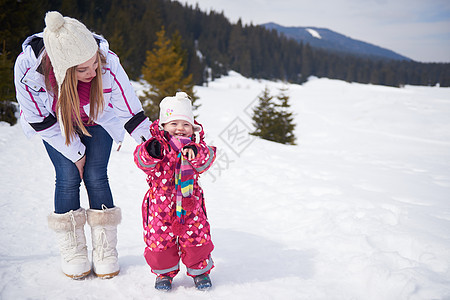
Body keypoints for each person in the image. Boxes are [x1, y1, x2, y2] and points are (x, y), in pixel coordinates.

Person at [14, 11, 152, 279]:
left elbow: (129, 107)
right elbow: (36, 117)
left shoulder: (106, 60)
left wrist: (152, 144)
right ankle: (74, 250)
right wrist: (75, 153)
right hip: (56, 124)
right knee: (67, 177)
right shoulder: (28, 68)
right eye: (82, 69)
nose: (93, 72)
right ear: (63, 67)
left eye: (94, 65)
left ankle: (104, 250)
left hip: (97, 119)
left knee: (96, 176)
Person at [134, 92, 216, 291]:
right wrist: (150, 152)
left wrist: (196, 153)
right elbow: (141, 160)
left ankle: (200, 271)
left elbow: (207, 158)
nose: (180, 128)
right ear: (163, 126)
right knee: (160, 241)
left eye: (185, 124)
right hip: (160, 208)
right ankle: (164, 273)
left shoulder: (195, 147)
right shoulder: (157, 146)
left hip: (190, 205)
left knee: (197, 237)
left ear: (192, 128)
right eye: (174, 123)